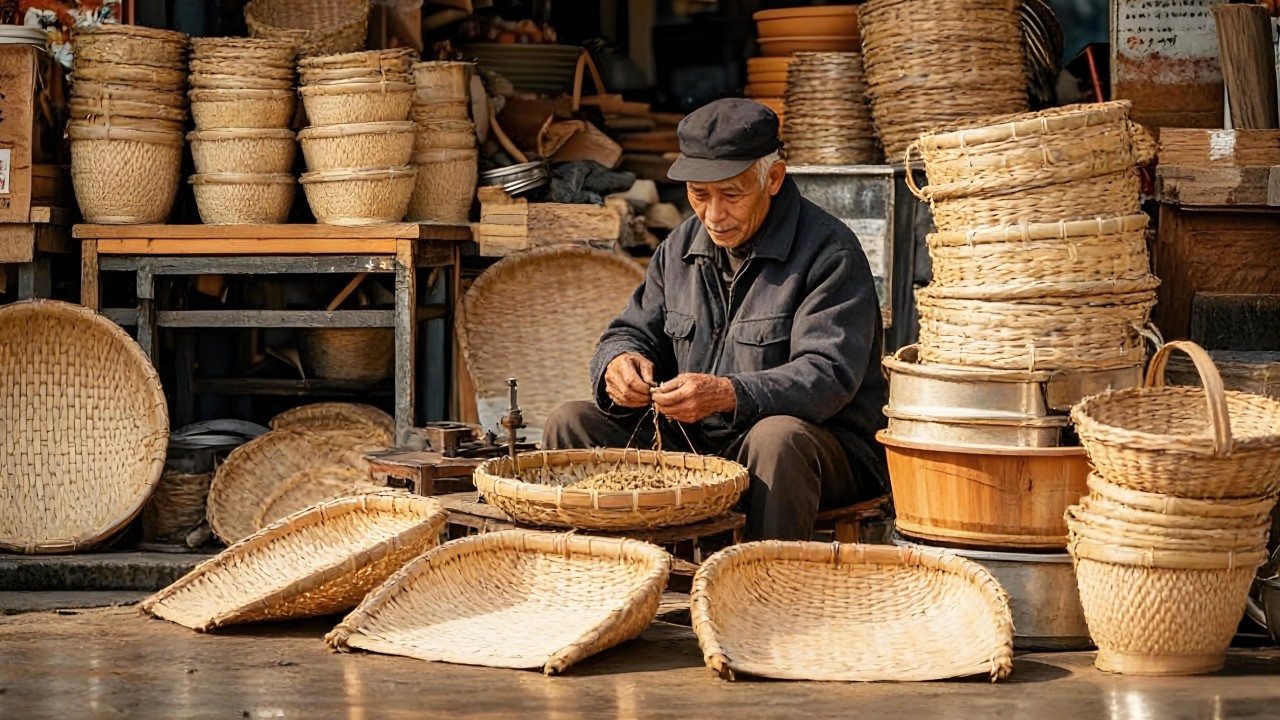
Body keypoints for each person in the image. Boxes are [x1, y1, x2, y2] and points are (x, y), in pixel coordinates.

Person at [542, 98, 888, 540]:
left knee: (776, 439)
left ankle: (759, 580)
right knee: (570, 421)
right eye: (699, 195)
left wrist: (728, 394)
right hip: (697, 444)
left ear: (773, 179)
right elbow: (631, 330)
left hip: (816, 450)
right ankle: (609, 572)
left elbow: (827, 375)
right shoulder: (680, 246)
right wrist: (619, 362)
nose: (714, 215)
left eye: (732, 195)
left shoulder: (829, 253)